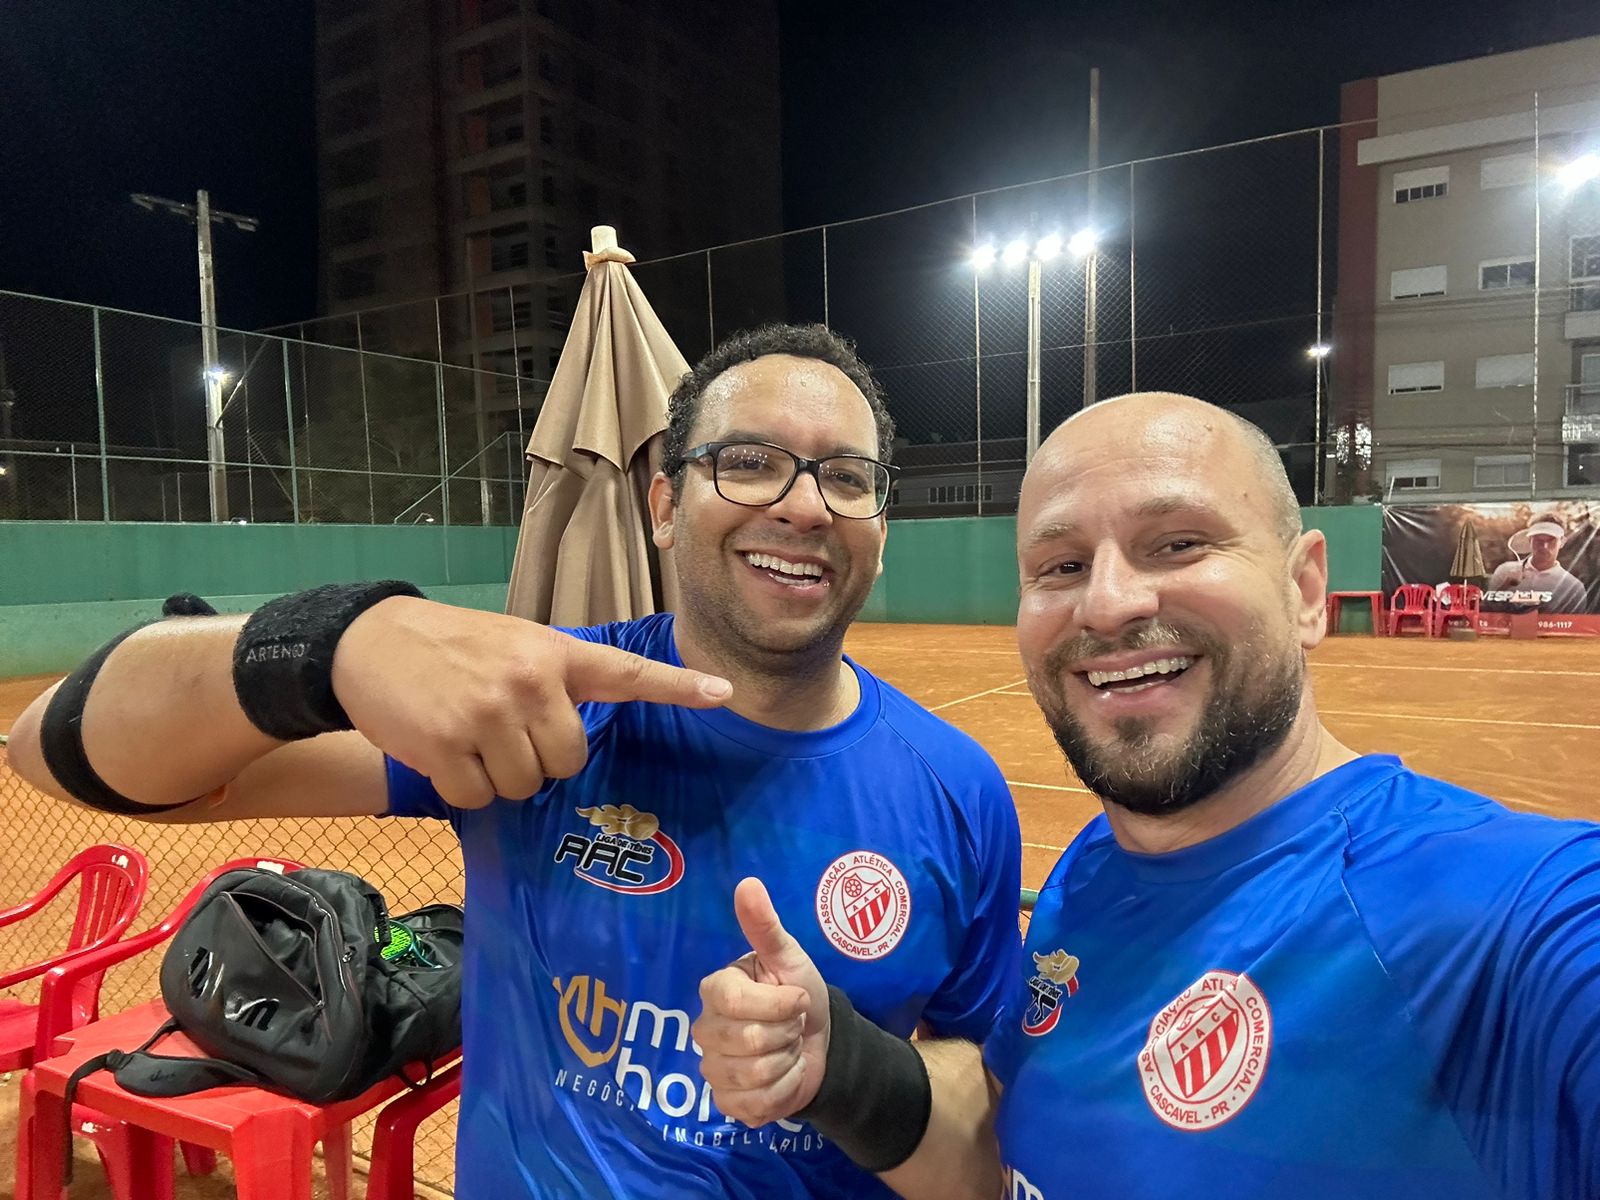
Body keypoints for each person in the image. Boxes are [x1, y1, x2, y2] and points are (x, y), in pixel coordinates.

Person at [9, 323, 1023, 1199]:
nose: (805, 505)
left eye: (846, 477)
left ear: (880, 528)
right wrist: (326, 643)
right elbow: (56, 749)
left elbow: (989, 1086)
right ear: (664, 504)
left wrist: (851, 1071)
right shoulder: (532, 709)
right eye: (750, 461)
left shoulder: (959, 788)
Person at [695, 392, 1600, 1200]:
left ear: (1304, 589)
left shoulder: (1505, 915)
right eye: (1060, 566)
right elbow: (1005, 1150)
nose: (1109, 603)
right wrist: (840, 1062)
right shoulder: (1092, 871)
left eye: (1178, 544)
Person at [1485, 513, 1588, 613]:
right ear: (1529, 540)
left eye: (1551, 540)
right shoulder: (1504, 571)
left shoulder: (1573, 587)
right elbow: (1487, 610)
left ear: (1562, 542)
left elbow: (1575, 622)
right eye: (1538, 540)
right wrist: (1506, 585)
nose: (1544, 546)